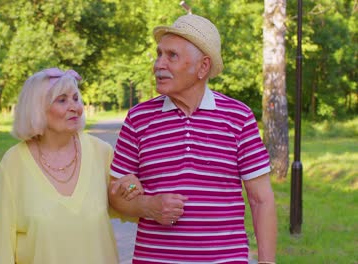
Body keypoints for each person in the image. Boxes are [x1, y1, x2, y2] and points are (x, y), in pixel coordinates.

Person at [108, 14, 277, 264]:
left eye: (171, 56)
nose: (158, 64)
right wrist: (147, 205)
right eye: (159, 54)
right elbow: (116, 192)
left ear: (203, 67)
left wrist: (267, 262)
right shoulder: (138, 118)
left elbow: (261, 199)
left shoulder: (238, 117)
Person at [0, 67, 142, 264]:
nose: (75, 107)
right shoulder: (13, 164)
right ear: (37, 108)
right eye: (62, 100)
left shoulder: (101, 152)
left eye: (76, 98)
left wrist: (134, 186)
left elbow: (132, 207)